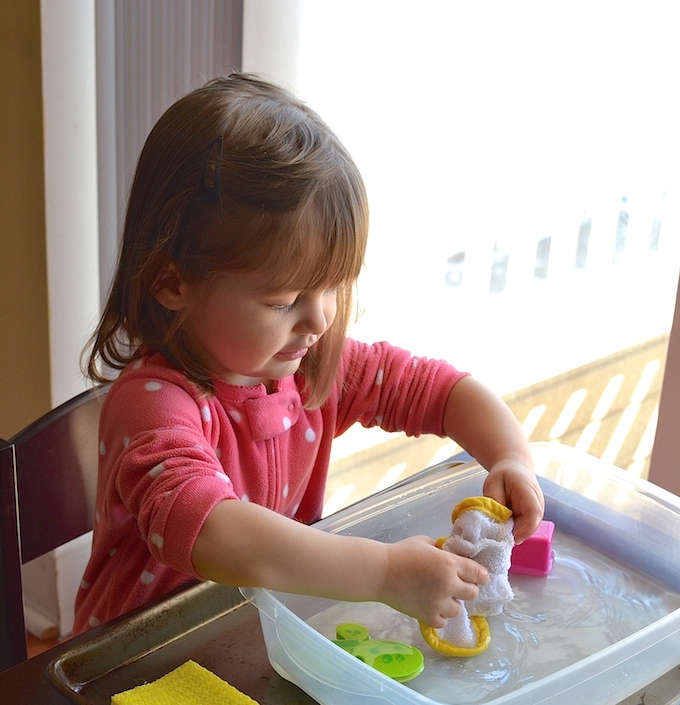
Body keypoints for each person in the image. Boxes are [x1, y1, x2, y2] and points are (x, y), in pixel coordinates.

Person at [73, 73, 544, 637]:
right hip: (132, 664)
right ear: (173, 283)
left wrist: (511, 456)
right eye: (285, 300)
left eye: (332, 288)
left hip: (253, 636)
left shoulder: (313, 365)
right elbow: (210, 531)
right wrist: (384, 572)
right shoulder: (151, 405)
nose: (319, 320)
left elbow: (440, 391)